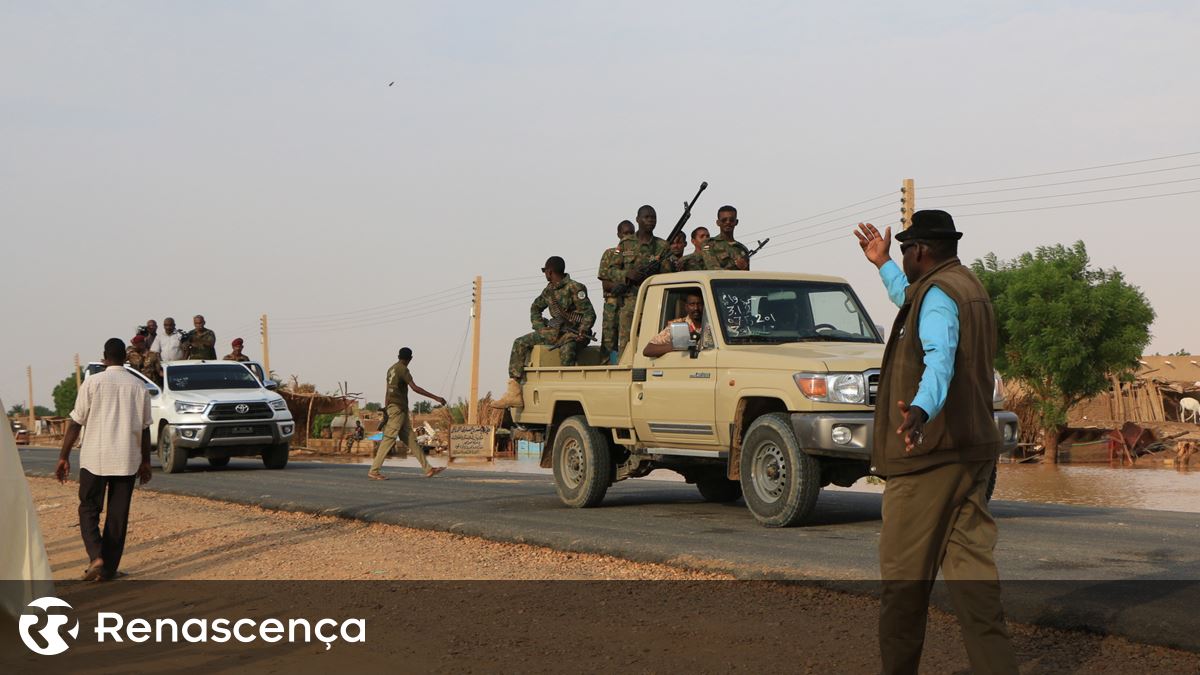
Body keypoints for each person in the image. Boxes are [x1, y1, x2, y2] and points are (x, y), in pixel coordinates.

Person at [853, 211, 1017, 675]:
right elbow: (909, 300)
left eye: (904, 250)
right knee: (973, 582)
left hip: (930, 458)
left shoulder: (940, 295)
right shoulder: (966, 287)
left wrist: (921, 411)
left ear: (920, 251)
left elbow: (939, 357)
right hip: (973, 454)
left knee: (903, 588)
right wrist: (882, 263)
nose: (902, 257)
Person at [55, 338, 153, 581]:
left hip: (95, 458)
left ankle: (96, 557)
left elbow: (76, 423)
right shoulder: (139, 386)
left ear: (104, 358)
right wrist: (146, 462)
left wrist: (63, 456)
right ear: (126, 357)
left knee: (89, 507)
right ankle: (108, 569)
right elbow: (145, 429)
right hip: (126, 459)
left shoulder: (92, 383)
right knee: (118, 515)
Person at [493, 256, 596, 409]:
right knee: (520, 342)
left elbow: (589, 313)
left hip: (574, 333)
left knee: (568, 349)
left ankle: (566, 393)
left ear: (550, 272)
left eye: (546, 272)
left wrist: (583, 329)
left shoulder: (575, 288)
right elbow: (535, 308)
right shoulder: (548, 291)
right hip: (553, 332)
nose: (545, 275)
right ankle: (513, 392)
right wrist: (540, 327)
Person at [369, 347, 447, 480]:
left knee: (411, 440)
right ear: (410, 359)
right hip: (398, 409)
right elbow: (415, 388)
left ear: (398, 356)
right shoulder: (403, 369)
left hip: (397, 410)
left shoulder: (391, 369)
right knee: (389, 438)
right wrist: (436, 398)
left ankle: (428, 469)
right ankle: (374, 471)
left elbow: (388, 391)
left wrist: (386, 408)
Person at [613, 205, 676, 354]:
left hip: (654, 302)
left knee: (653, 339)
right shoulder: (625, 244)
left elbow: (668, 275)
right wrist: (627, 275)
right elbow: (610, 270)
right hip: (629, 302)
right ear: (637, 220)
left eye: (653, 217)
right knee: (626, 343)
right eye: (646, 217)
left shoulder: (662, 246)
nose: (650, 220)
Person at [598, 220, 635, 359]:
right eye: (625, 233)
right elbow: (606, 284)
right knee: (609, 342)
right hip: (613, 305)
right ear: (619, 234)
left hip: (631, 302)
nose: (628, 236)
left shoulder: (637, 254)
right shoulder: (610, 254)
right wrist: (624, 284)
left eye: (631, 233)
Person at [642, 290, 714, 358]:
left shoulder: (713, 325)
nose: (696, 308)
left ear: (705, 306)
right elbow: (648, 350)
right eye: (692, 304)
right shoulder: (677, 325)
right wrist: (676, 346)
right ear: (686, 307)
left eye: (699, 304)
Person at [701, 205, 751, 271]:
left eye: (731, 220)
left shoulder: (742, 249)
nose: (728, 222)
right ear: (718, 222)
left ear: (736, 222)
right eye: (724, 220)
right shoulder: (709, 244)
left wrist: (744, 267)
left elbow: (747, 276)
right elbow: (713, 269)